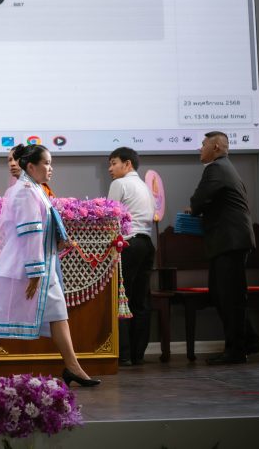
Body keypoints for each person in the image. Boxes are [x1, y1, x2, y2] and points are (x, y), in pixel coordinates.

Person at [0, 144, 100, 387]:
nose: (50, 168)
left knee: (58, 314)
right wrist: (35, 272)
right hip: (24, 267)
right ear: (31, 167)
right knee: (0, 315)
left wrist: (59, 241)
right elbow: (30, 233)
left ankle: (73, 367)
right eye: (46, 163)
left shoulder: (34, 188)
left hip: (43, 265)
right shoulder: (25, 191)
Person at [190, 131, 259, 365]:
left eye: (203, 144)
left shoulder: (216, 168)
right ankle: (249, 341)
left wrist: (195, 208)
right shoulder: (226, 168)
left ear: (216, 147)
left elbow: (198, 201)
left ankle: (236, 350)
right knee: (221, 294)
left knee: (229, 297)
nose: (200, 148)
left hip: (230, 240)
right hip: (231, 240)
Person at [106, 147, 155, 366]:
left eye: (114, 163)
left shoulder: (120, 184)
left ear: (128, 164)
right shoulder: (144, 186)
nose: (110, 169)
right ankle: (138, 354)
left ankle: (122, 354)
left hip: (128, 245)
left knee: (120, 299)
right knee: (140, 301)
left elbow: (110, 217)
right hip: (147, 244)